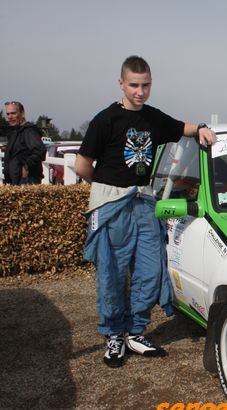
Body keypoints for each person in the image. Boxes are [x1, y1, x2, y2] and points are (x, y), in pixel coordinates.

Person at [75, 55, 216, 368]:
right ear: (121, 84)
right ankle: (114, 334)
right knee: (111, 273)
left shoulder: (153, 118)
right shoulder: (105, 120)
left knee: (151, 271)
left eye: (146, 85)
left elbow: (183, 127)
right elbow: (82, 165)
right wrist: (106, 190)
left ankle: (135, 331)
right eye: (134, 85)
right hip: (112, 204)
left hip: (144, 203)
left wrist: (203, 128)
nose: (140, 91)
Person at [2, 101, 46, 184]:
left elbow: (40, 150)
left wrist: (26, 168)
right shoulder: (17, 131)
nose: (10, 117)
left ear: (22, 113)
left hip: (26, 180)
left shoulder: (29, 131)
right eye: (8, 114)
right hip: (16, 180)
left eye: (13, 113)